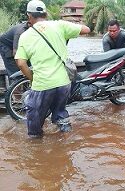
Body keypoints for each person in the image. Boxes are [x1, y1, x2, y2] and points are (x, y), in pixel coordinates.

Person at [15, 0, 91, 137]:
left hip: (43, 84)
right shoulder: (59, 25)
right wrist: (71, 26)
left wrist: (32, 79)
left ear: (29, 16)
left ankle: (38, 152)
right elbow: (86, 30)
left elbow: (21, 63)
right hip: (64, 83)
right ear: (45, 14)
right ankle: (66, 141)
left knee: (34, 124)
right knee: (61, 114)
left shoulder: (25, 36)